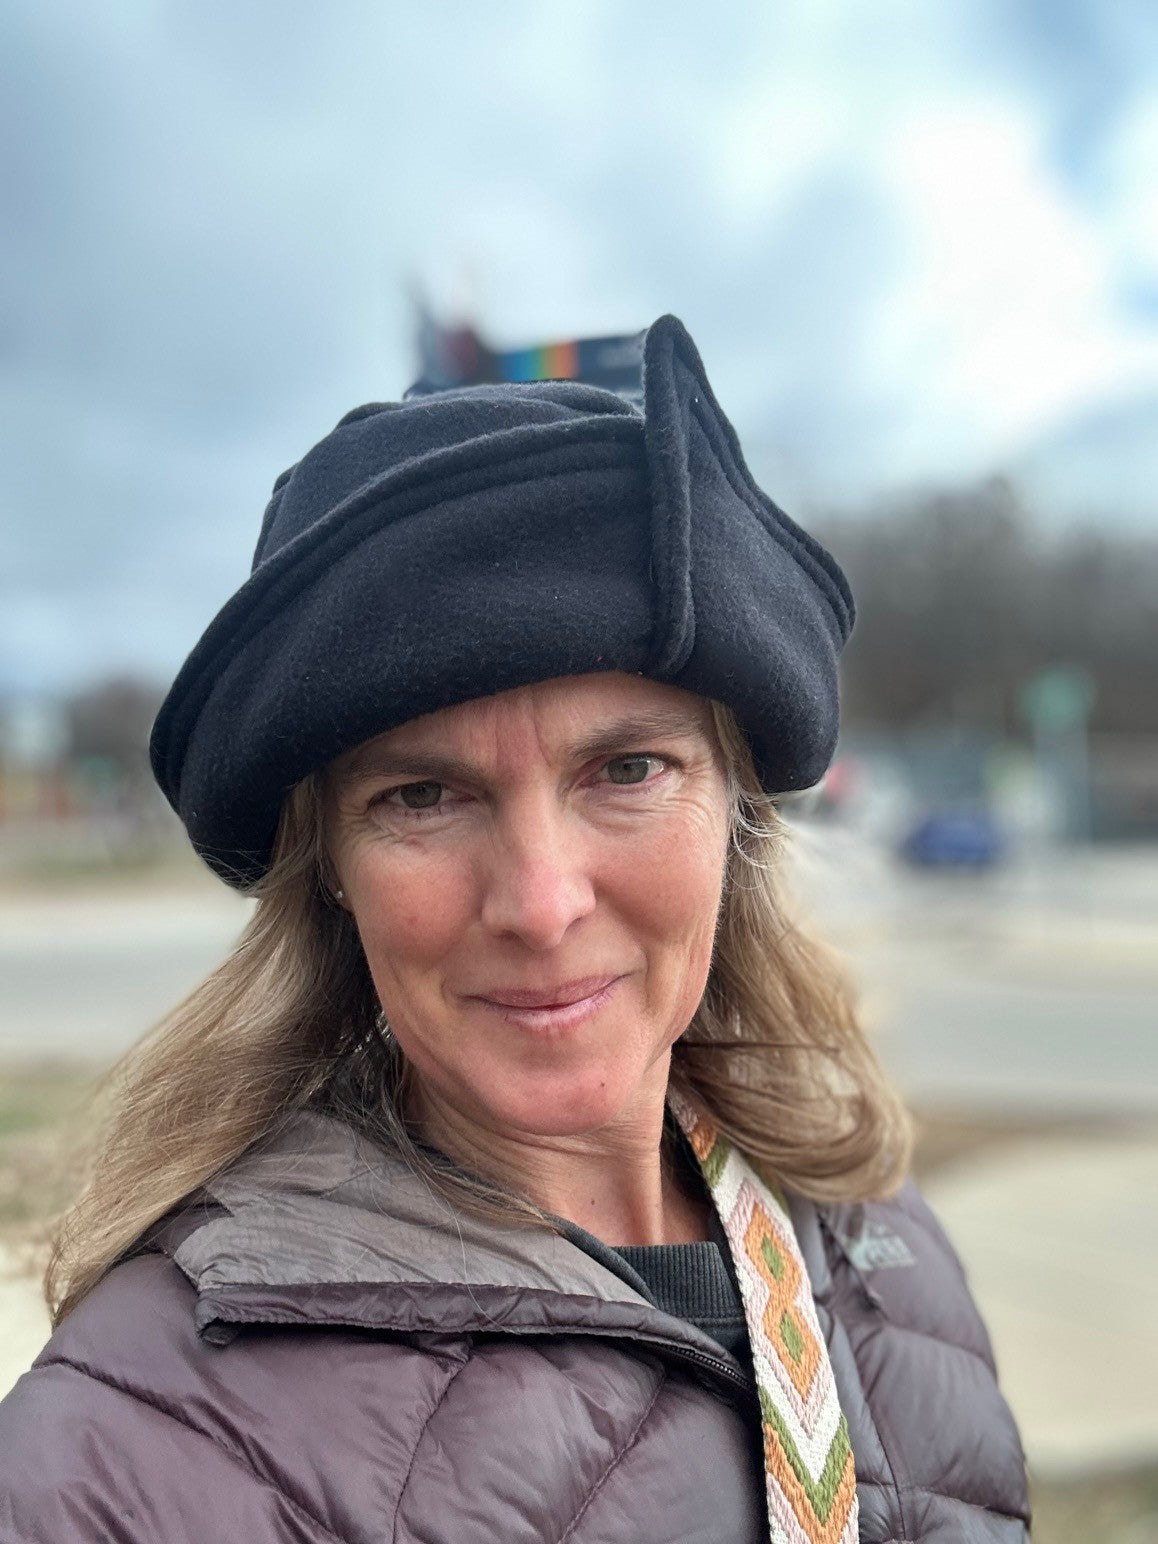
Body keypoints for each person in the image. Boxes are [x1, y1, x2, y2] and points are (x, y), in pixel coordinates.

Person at [0, 316, 1030, 1543]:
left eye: (629, 767)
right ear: (328, 867)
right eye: (422, 796)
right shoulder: (143, 1448)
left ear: (736, 813)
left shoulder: (873, 1230)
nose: (541, 904)